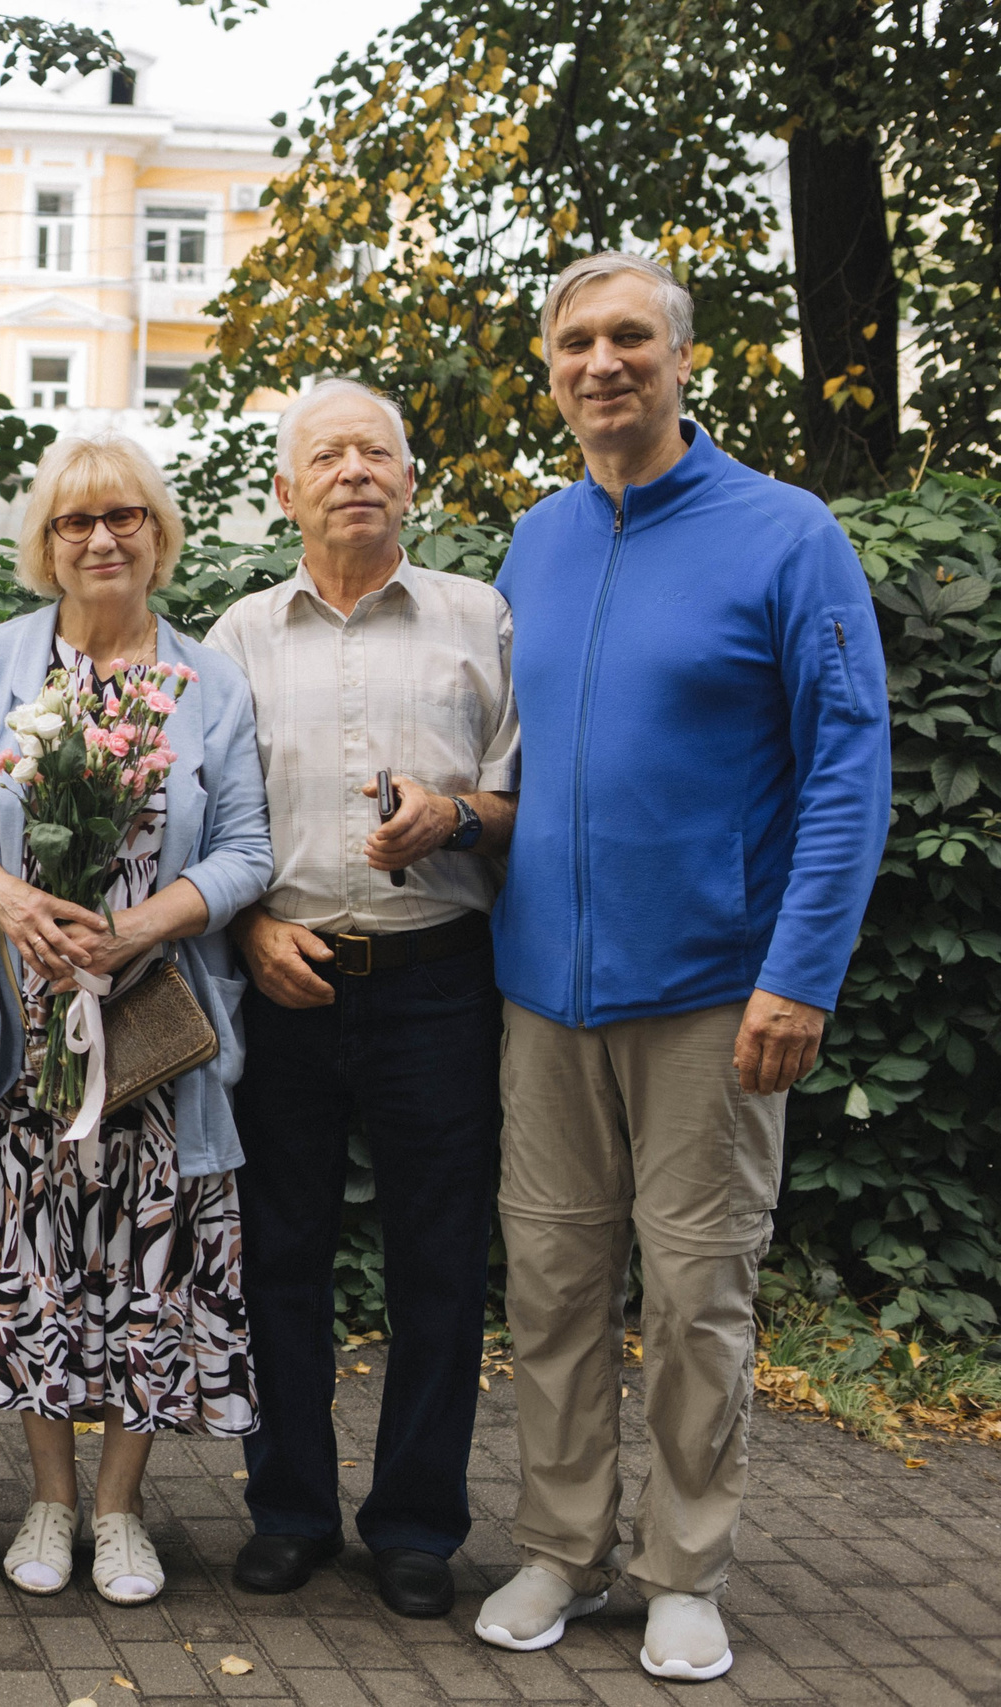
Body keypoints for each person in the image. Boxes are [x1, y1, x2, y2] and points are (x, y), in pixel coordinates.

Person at [472, 253, 890, 1683]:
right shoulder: (535, 541)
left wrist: (801, 971)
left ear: (683, 359)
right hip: (543, 992)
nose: (605, 361)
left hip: (716, 989)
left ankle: (686, 1565)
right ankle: (563, 1544)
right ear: (552, 370)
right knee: (551, 1280)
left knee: (701, 1288)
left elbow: (849, 764)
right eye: (577, 341)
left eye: (631, 337)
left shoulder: (787, 535)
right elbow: (522, 767)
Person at [0, 433, 270, 1607]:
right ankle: (46, 1502)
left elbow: (251, 851)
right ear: (43, 546)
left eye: (123, 518)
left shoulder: (209, 681)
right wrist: (7, 900)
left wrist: (146, 923)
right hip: (19, 1018)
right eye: (73, 523)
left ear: (157, 535)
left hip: (152, 1024)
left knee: (143, 1265)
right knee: (32, 1260)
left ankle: (120, 1513)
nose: (100, 539)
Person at [204, 378, 520, 1619]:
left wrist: (456, 814)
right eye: (326, 455)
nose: (353, 472)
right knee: (274, 1257)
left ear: (408, 480)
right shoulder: (234, 637)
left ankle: (415, 1527)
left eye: (375, 454)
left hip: (435, 978)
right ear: (285, 491)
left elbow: (526, 804)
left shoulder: (477, 619)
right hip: (280, 979)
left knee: (434, 1262)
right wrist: (250, 922)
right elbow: (203, 821)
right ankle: (287, 1509)